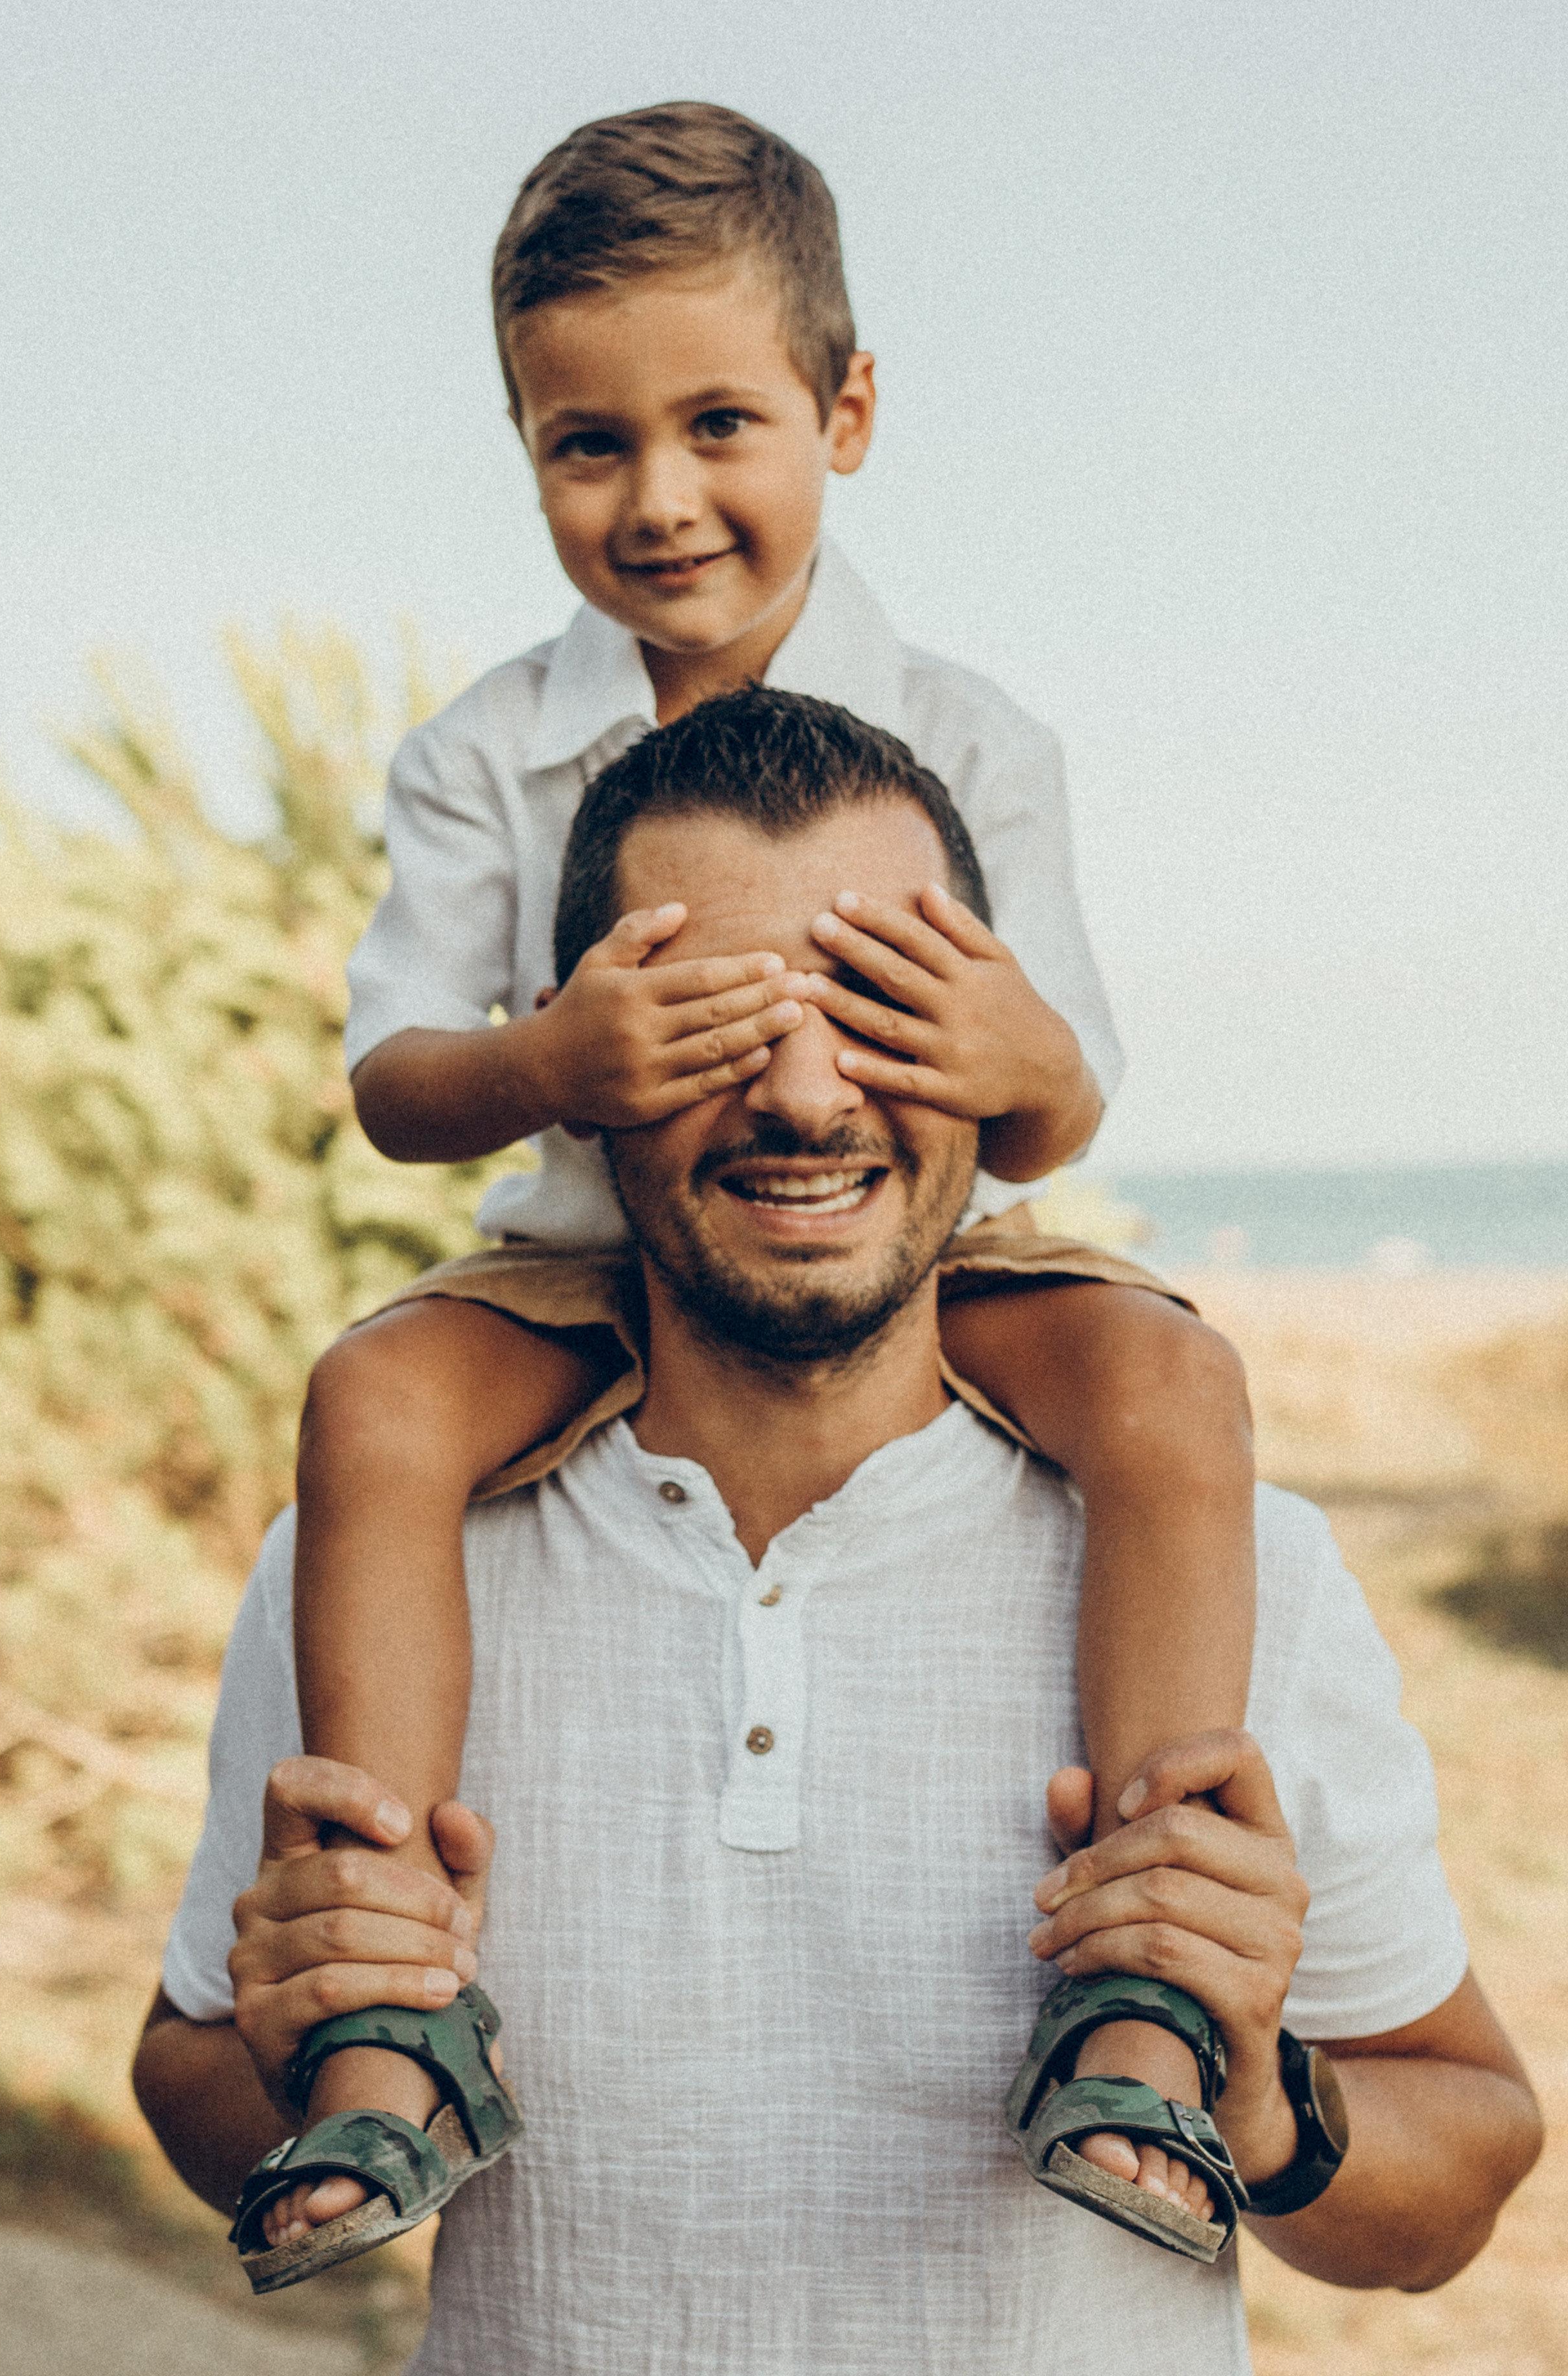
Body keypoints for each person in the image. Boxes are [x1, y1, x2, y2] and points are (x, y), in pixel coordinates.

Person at [134, 699, 1540, 2373]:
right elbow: (188, 2076)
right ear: (587, 1069)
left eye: (880, 1009)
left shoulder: (1245, 1569)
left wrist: (1266, 2100)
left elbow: (1467, 2159)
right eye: (718, 1020)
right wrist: (295, 2055)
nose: (806, 1094)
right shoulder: (377, 1558)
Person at [277, 101, 1265, 2268]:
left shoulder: (971, 736)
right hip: (580, 1275)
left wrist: (1016, 1067)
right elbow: (396, 1082)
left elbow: (1057, 1102)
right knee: (370, 1410)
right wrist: (555, 1060)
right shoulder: (483, 753)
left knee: (1177, 1400)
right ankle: (383, 2024)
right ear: (524, 446)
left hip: (925, 1253)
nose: (660, 499)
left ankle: (1150, 1993)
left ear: (848, 408)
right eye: (583, 443)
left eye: (720, 421)